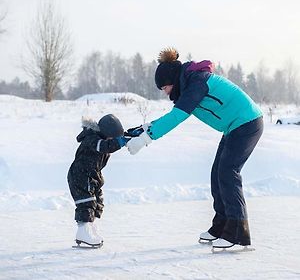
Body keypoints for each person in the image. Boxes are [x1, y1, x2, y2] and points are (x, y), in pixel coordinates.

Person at [126, 47, 263, 250]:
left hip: (247, 123)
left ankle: (237, 233)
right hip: (234, 127)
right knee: (217, 173)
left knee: (227, 172)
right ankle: (221, 227)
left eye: (164, 88)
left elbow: (178, 116)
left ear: (173, 80)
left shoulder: (197, 83)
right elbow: (175, 113)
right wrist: (147, 127)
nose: (165, 93)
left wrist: (147, 138)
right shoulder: (191, 82)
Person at [67, 114, 130, 247]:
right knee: (87, 203)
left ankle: (90, 227)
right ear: (106, 132)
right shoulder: (92, 139)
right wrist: (121, 142)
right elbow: (104, 146)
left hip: (93, 175)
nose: (113, 141)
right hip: (81, 175)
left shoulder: (104, 139)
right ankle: (83, 232)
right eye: (112, 138)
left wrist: (131, 136)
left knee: (98, 201)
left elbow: (110, 144)